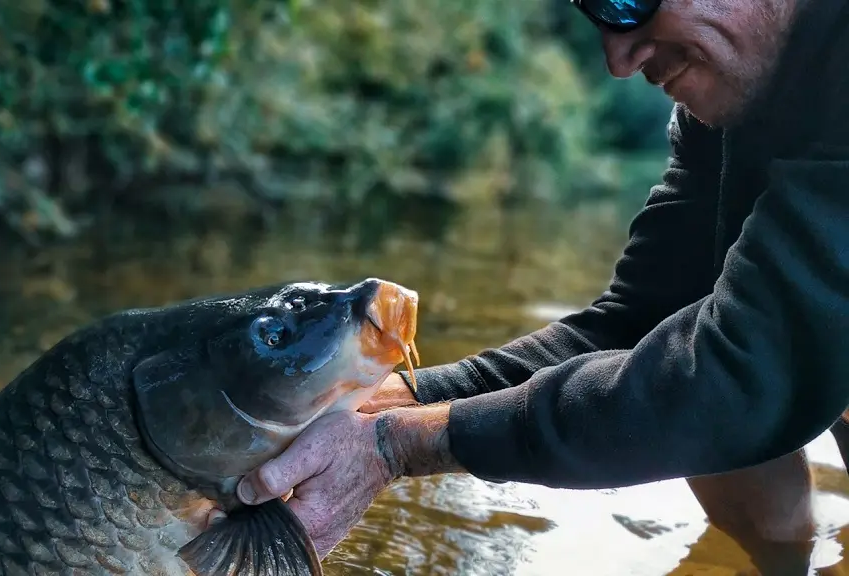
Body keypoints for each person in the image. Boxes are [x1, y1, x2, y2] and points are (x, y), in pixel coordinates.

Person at [230, 0, 849, 571]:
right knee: (695, 381)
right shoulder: (727, 106)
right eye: (594, 12)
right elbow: (632, 324)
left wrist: (395, 448)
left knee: (724, 387)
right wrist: (390, 399)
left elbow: (728, 380)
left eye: (626, 0)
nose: (618, 57)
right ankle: (788, 562)